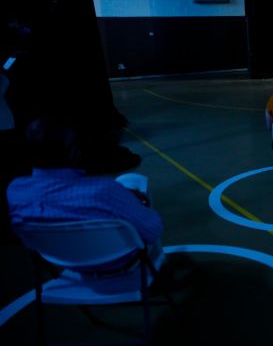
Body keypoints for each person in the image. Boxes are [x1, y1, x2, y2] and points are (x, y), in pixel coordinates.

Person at [6, 116, 163, 272]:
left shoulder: (15, 191)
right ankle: (159, 268)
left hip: (62, 262)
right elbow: (152, 230)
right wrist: (131, 202)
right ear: (74, 152)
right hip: (120, 261)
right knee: (133, 180)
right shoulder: (103, 190)